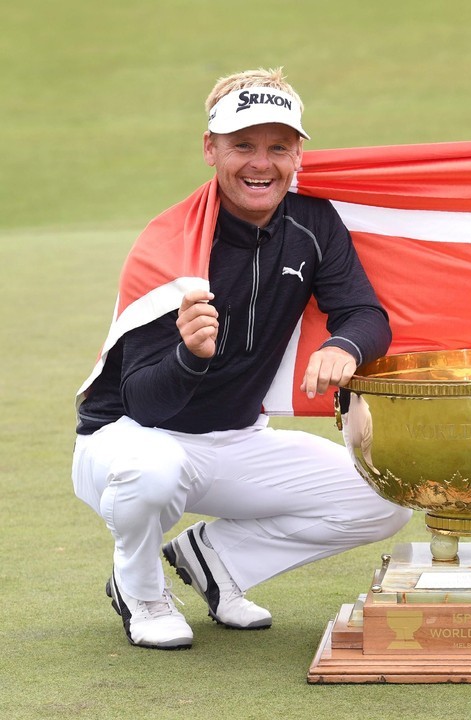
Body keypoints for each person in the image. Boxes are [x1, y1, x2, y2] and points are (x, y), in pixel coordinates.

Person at [72, 68, 412, 650]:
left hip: (235, 439)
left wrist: (343, 345)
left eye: (279, 147)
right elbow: (142, 401)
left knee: (385, 496)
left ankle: (217, 562)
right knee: (154, 472)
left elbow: (365, 313)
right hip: (128, 440)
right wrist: (190, 355)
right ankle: (140, 590)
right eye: (243, 146)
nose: (262, 164)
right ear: (211, 149)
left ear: (298, 153)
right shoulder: (172, 245)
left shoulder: (313, 223)